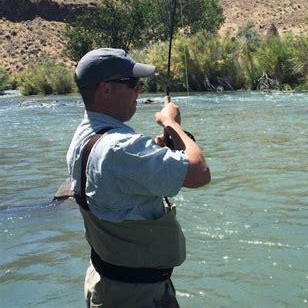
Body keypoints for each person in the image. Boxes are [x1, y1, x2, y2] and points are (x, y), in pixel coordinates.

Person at [67, 48, 210, 307]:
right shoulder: (120, 149)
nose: (138, 91)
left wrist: (158, 153)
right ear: (105, 90)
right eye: (131, 83)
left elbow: (122, 182)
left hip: (106, 283)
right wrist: (171, 124)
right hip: (136, 296)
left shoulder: (83, 137)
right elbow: (199, 173)